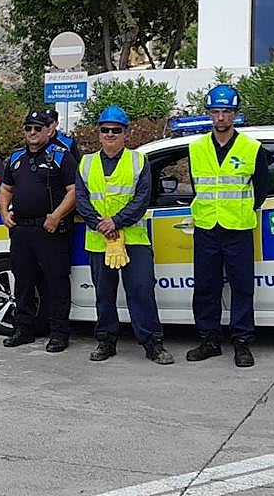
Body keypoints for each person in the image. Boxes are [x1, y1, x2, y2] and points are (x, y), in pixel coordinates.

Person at [75, 106, 173, 365]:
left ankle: (153, 343)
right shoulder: (86, 163)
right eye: (105, 130)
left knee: (141, 290)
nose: (110, 134)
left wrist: (116, 221)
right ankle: (106, 341)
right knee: (104, 295)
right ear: (99, 133)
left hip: (133, 239)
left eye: (115, 130)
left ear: (125, 133)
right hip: (98, 239)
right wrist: (100, 224)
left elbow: (142, 199)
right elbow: (82, 200)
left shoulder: (139, 161)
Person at [186, 85, 271, 369]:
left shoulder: (252, 148)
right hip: (207, 227)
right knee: (206, 287)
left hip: (238, 229)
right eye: (215, 112)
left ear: (236, 114)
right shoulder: (196, 148)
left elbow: (261, 191)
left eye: (226, 112)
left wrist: (242, 210)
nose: (220, 117)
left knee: (242, 287)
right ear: (209, 114)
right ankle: (209, 340)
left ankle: (242, 342)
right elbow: (199, 187)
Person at [0, 110, 77, 353]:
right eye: (28, 128)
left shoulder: (61, 156)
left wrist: (56, 216)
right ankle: (23, 329)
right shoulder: (16, 158)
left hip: (50, 230)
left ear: (48, 130)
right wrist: (3, 212)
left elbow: (74, 191)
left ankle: (59, 333)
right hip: (22, 230)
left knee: (57, 283)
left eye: (37, 128)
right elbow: (5, 189)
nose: (32, 133)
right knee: (22, 282)